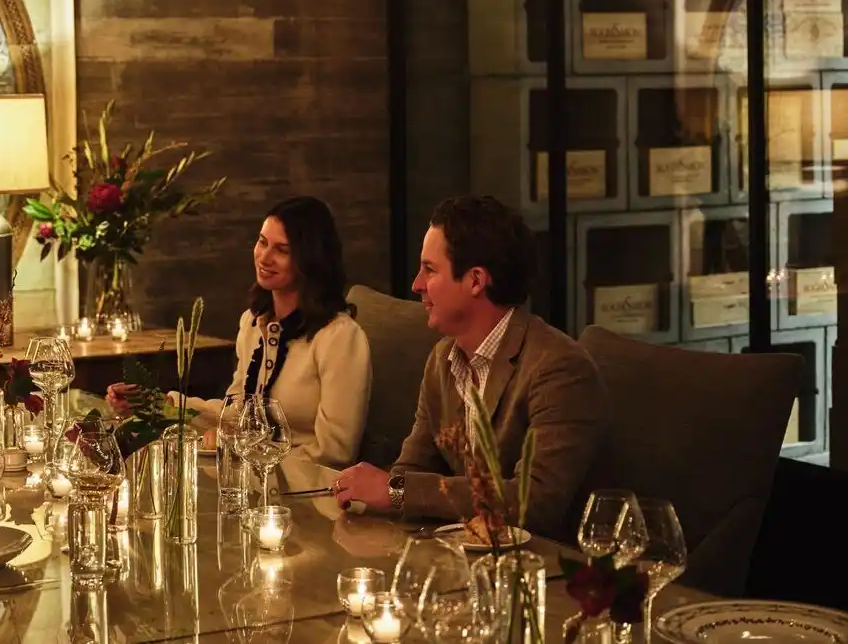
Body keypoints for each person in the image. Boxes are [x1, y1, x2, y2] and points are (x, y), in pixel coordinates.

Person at [332, 195, 608, 540]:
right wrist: (388, 489)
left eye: (430, 269)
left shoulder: (559, 368)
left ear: (476, 280)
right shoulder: (442, 360)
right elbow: (412, 467)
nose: (416, 284)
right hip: (459, 553)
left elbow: (534, 503)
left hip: (537, 569)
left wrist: (397, 490)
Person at [109, 195, 372, 468]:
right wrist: (161, 403)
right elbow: (235, 415)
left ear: (311, 260)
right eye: (262, 242)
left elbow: (336, 453)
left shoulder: (339, 337)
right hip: (253, 476)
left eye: (282, 250)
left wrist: (251, 461)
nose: (264, 257)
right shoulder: (252, 323)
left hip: (308, 490)